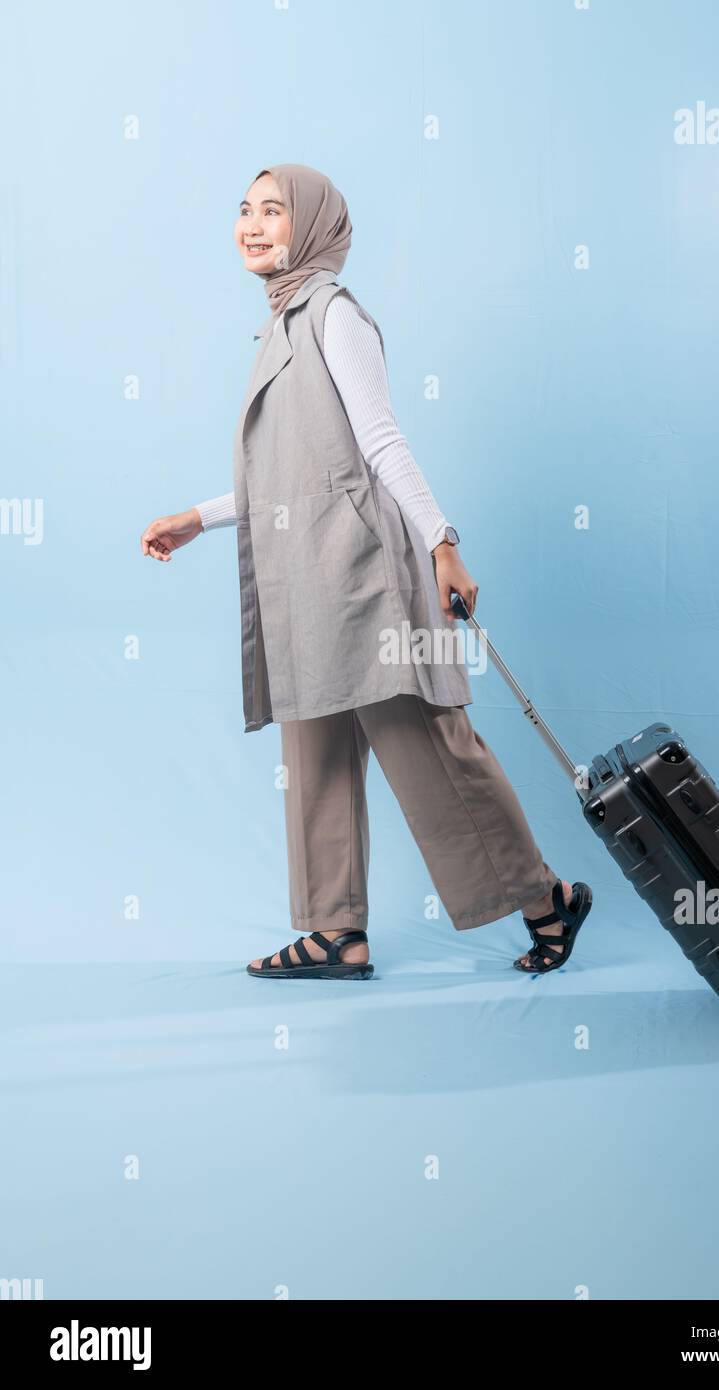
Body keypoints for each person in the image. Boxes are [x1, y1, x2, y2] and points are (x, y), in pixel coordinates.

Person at [140, 162, 592, 980]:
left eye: (273, 211)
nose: (252, 224)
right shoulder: (278, 325)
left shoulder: (334, 316)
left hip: (366, 573)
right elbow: (281, 474)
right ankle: (334, 930)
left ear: (311, 225)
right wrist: (197, 520)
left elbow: (381, 443)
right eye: (244, 210)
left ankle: (546, 898)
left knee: (427, 747)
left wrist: (443, 541)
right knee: (312, 752)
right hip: (304, 580)